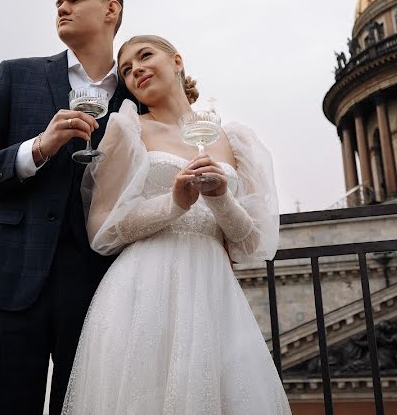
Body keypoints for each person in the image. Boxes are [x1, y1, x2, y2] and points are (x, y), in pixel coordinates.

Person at [62, 35, 291, 414]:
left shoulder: (231, 139)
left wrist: (221, 198)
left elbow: (251, 244)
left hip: (214, 290)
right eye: (126, 69)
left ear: (178, 61)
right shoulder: (129, 129)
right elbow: (101, 232)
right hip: (143, 288)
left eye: (145, 56)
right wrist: (173, 204)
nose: (136, 69)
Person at [0, 0, 132, 414]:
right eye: (57, 3)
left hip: (102, 289)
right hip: (10, 282)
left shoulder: (139, 92)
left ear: (111, 10)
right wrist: (37, 148)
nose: (61, 8)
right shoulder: (18, 76)